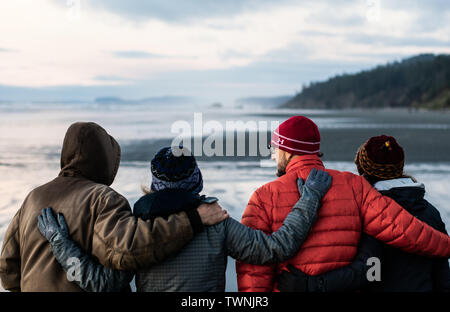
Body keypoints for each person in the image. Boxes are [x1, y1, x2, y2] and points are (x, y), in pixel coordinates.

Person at [36, 146, 332, 292]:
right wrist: (310, 198)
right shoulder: (217, 221)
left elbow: (98, 283)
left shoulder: (136, 228)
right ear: (197, 181)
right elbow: (277, 248)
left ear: (153, 185)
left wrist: (59, 241)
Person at [0, 122, 228, 292]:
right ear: (105, 159)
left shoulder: (33, 197)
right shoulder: (103, 199)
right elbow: (130, 249)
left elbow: (8, 270)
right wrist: (194, 219)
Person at [236, 116, 450, 292]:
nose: (273, 156)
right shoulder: (353, 185)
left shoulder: (263, 197)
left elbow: (254, 268)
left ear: (287, 150)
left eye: (275, 148)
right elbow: (404, 229)